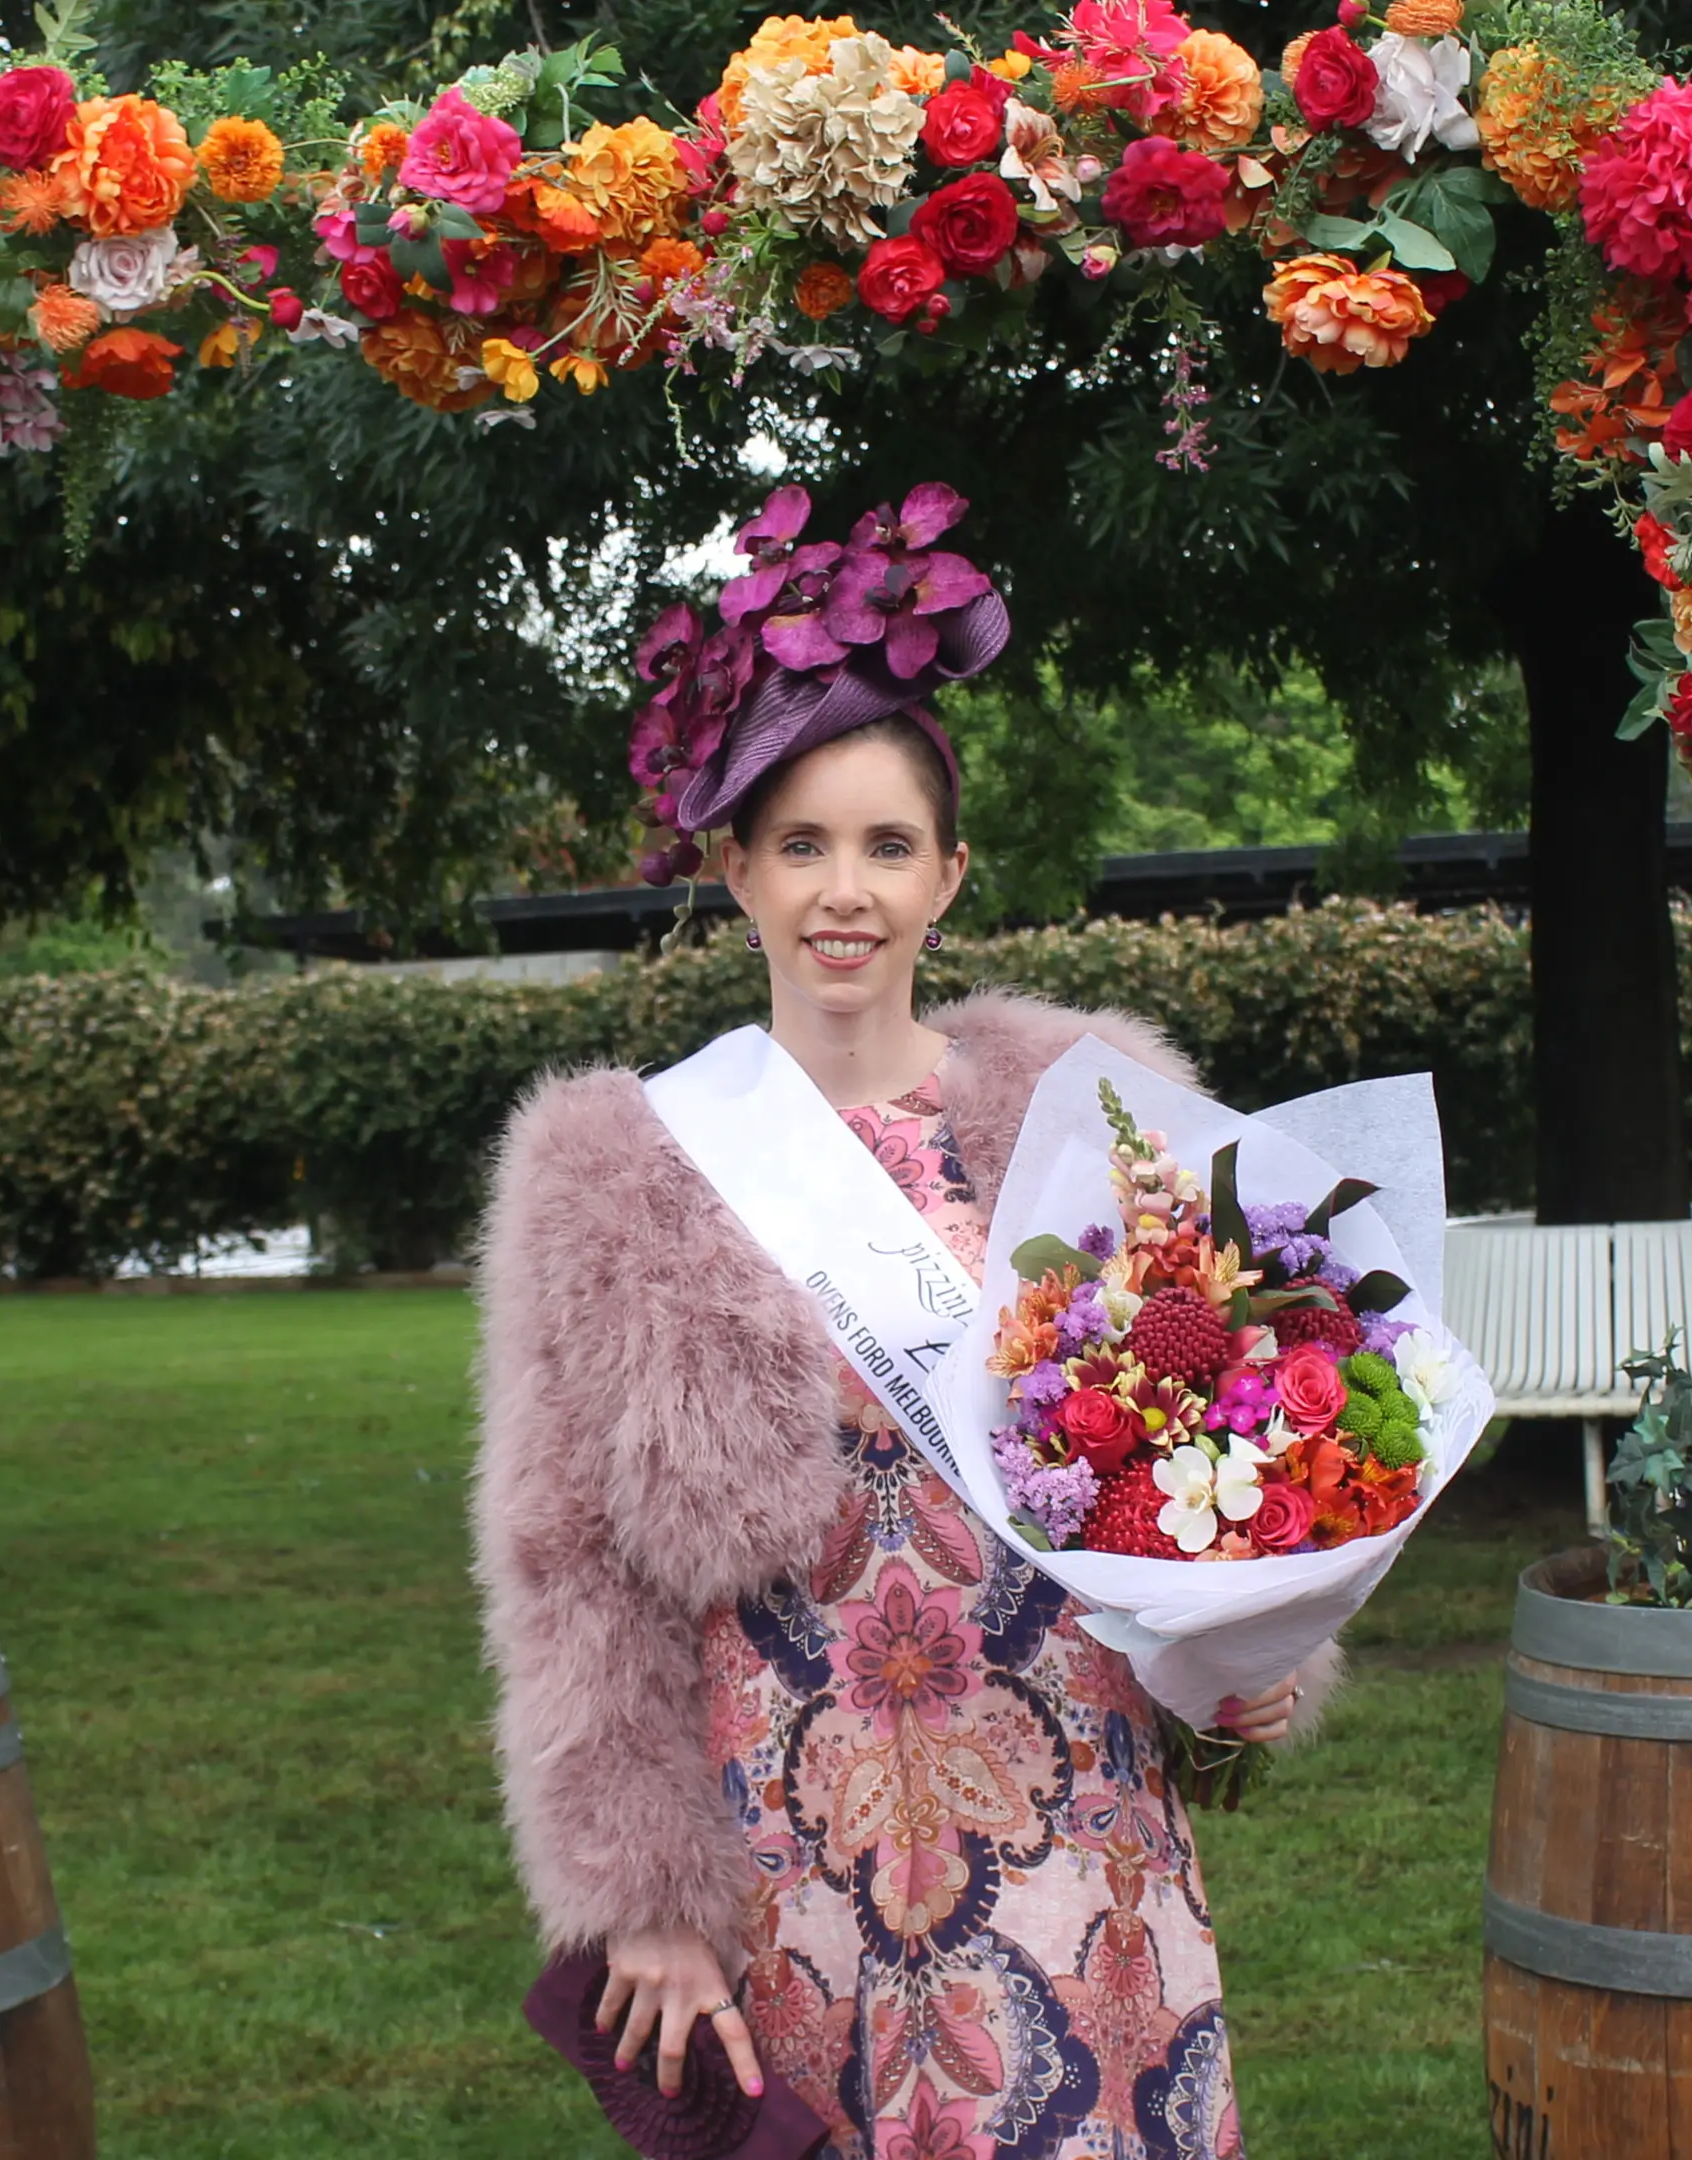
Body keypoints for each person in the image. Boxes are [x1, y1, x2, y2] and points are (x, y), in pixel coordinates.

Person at [471, 484, 1334, 2158]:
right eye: (801, 845)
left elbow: (1240, 1439)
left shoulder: (1096, 1117)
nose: (843, 891)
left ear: (950, 874)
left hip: (1076, 1797)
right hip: (797, 1823)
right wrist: (640, 1890)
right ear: (734, 869)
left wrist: (1255, 1643)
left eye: (885, 846)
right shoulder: (614, 1172)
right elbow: (566, 1567)